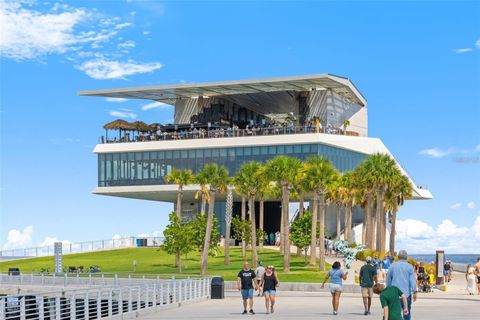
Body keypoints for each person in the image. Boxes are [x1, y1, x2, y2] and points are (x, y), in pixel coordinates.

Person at [386, 250, 417, 320]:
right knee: (407, 313)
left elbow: (388, 280)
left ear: (398, 257)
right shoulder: (410, 267)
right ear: (406, 257)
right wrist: (415, 292)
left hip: (395, 295)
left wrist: (387, 290)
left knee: (395, 314)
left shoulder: (392, 266)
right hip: (406, 294)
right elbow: (412, 280)